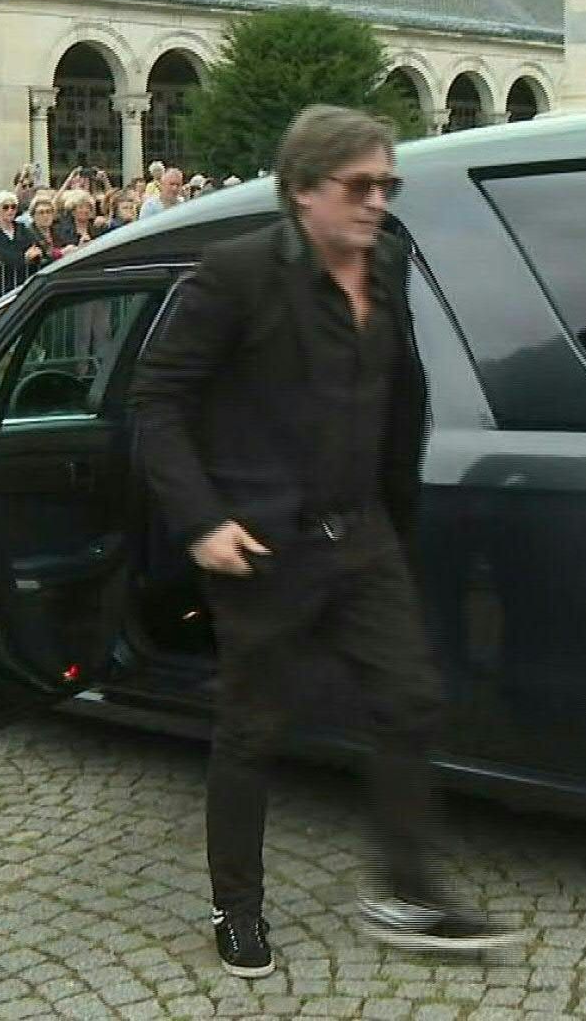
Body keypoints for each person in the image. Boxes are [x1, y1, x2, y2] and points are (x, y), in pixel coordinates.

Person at [129, 105, 518, 980]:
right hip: (263, 546)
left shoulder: (388, 260)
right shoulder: (235, 277)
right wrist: (201, 521)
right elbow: (157, 404)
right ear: (303, 191)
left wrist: (395, 504)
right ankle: (236, 906)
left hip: (364, 532)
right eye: (360, 186)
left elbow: (398, 388)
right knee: (252, 731)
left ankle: (408, 891)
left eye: (389, 184)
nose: (378, 201)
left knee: (411, 699)